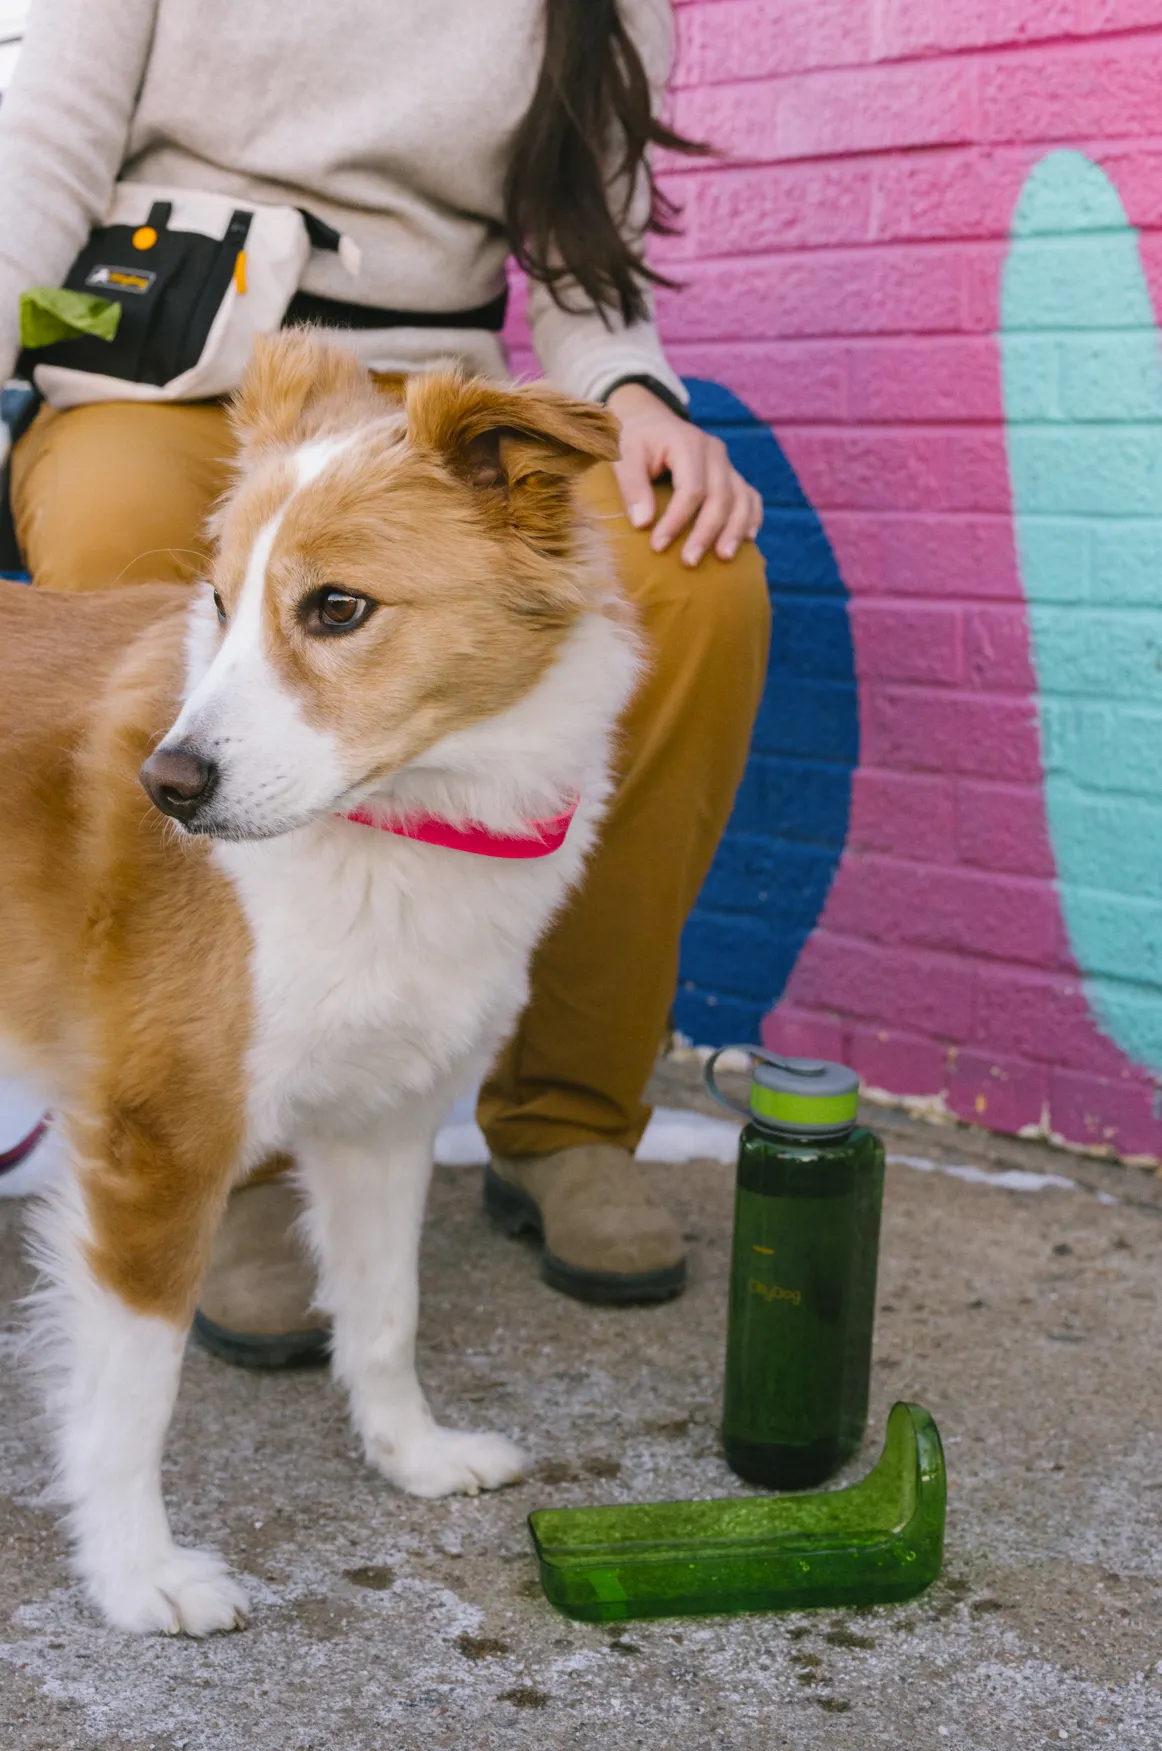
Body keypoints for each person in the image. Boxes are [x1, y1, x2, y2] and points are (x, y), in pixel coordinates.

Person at [0, 0, 769, 1357]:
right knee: (139, 550)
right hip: (166, 378)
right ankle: (225, 1139)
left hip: (432, 411)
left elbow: (587, 254)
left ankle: (570, 1120)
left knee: (697, 584)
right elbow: (36, 154)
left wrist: (638, 394)